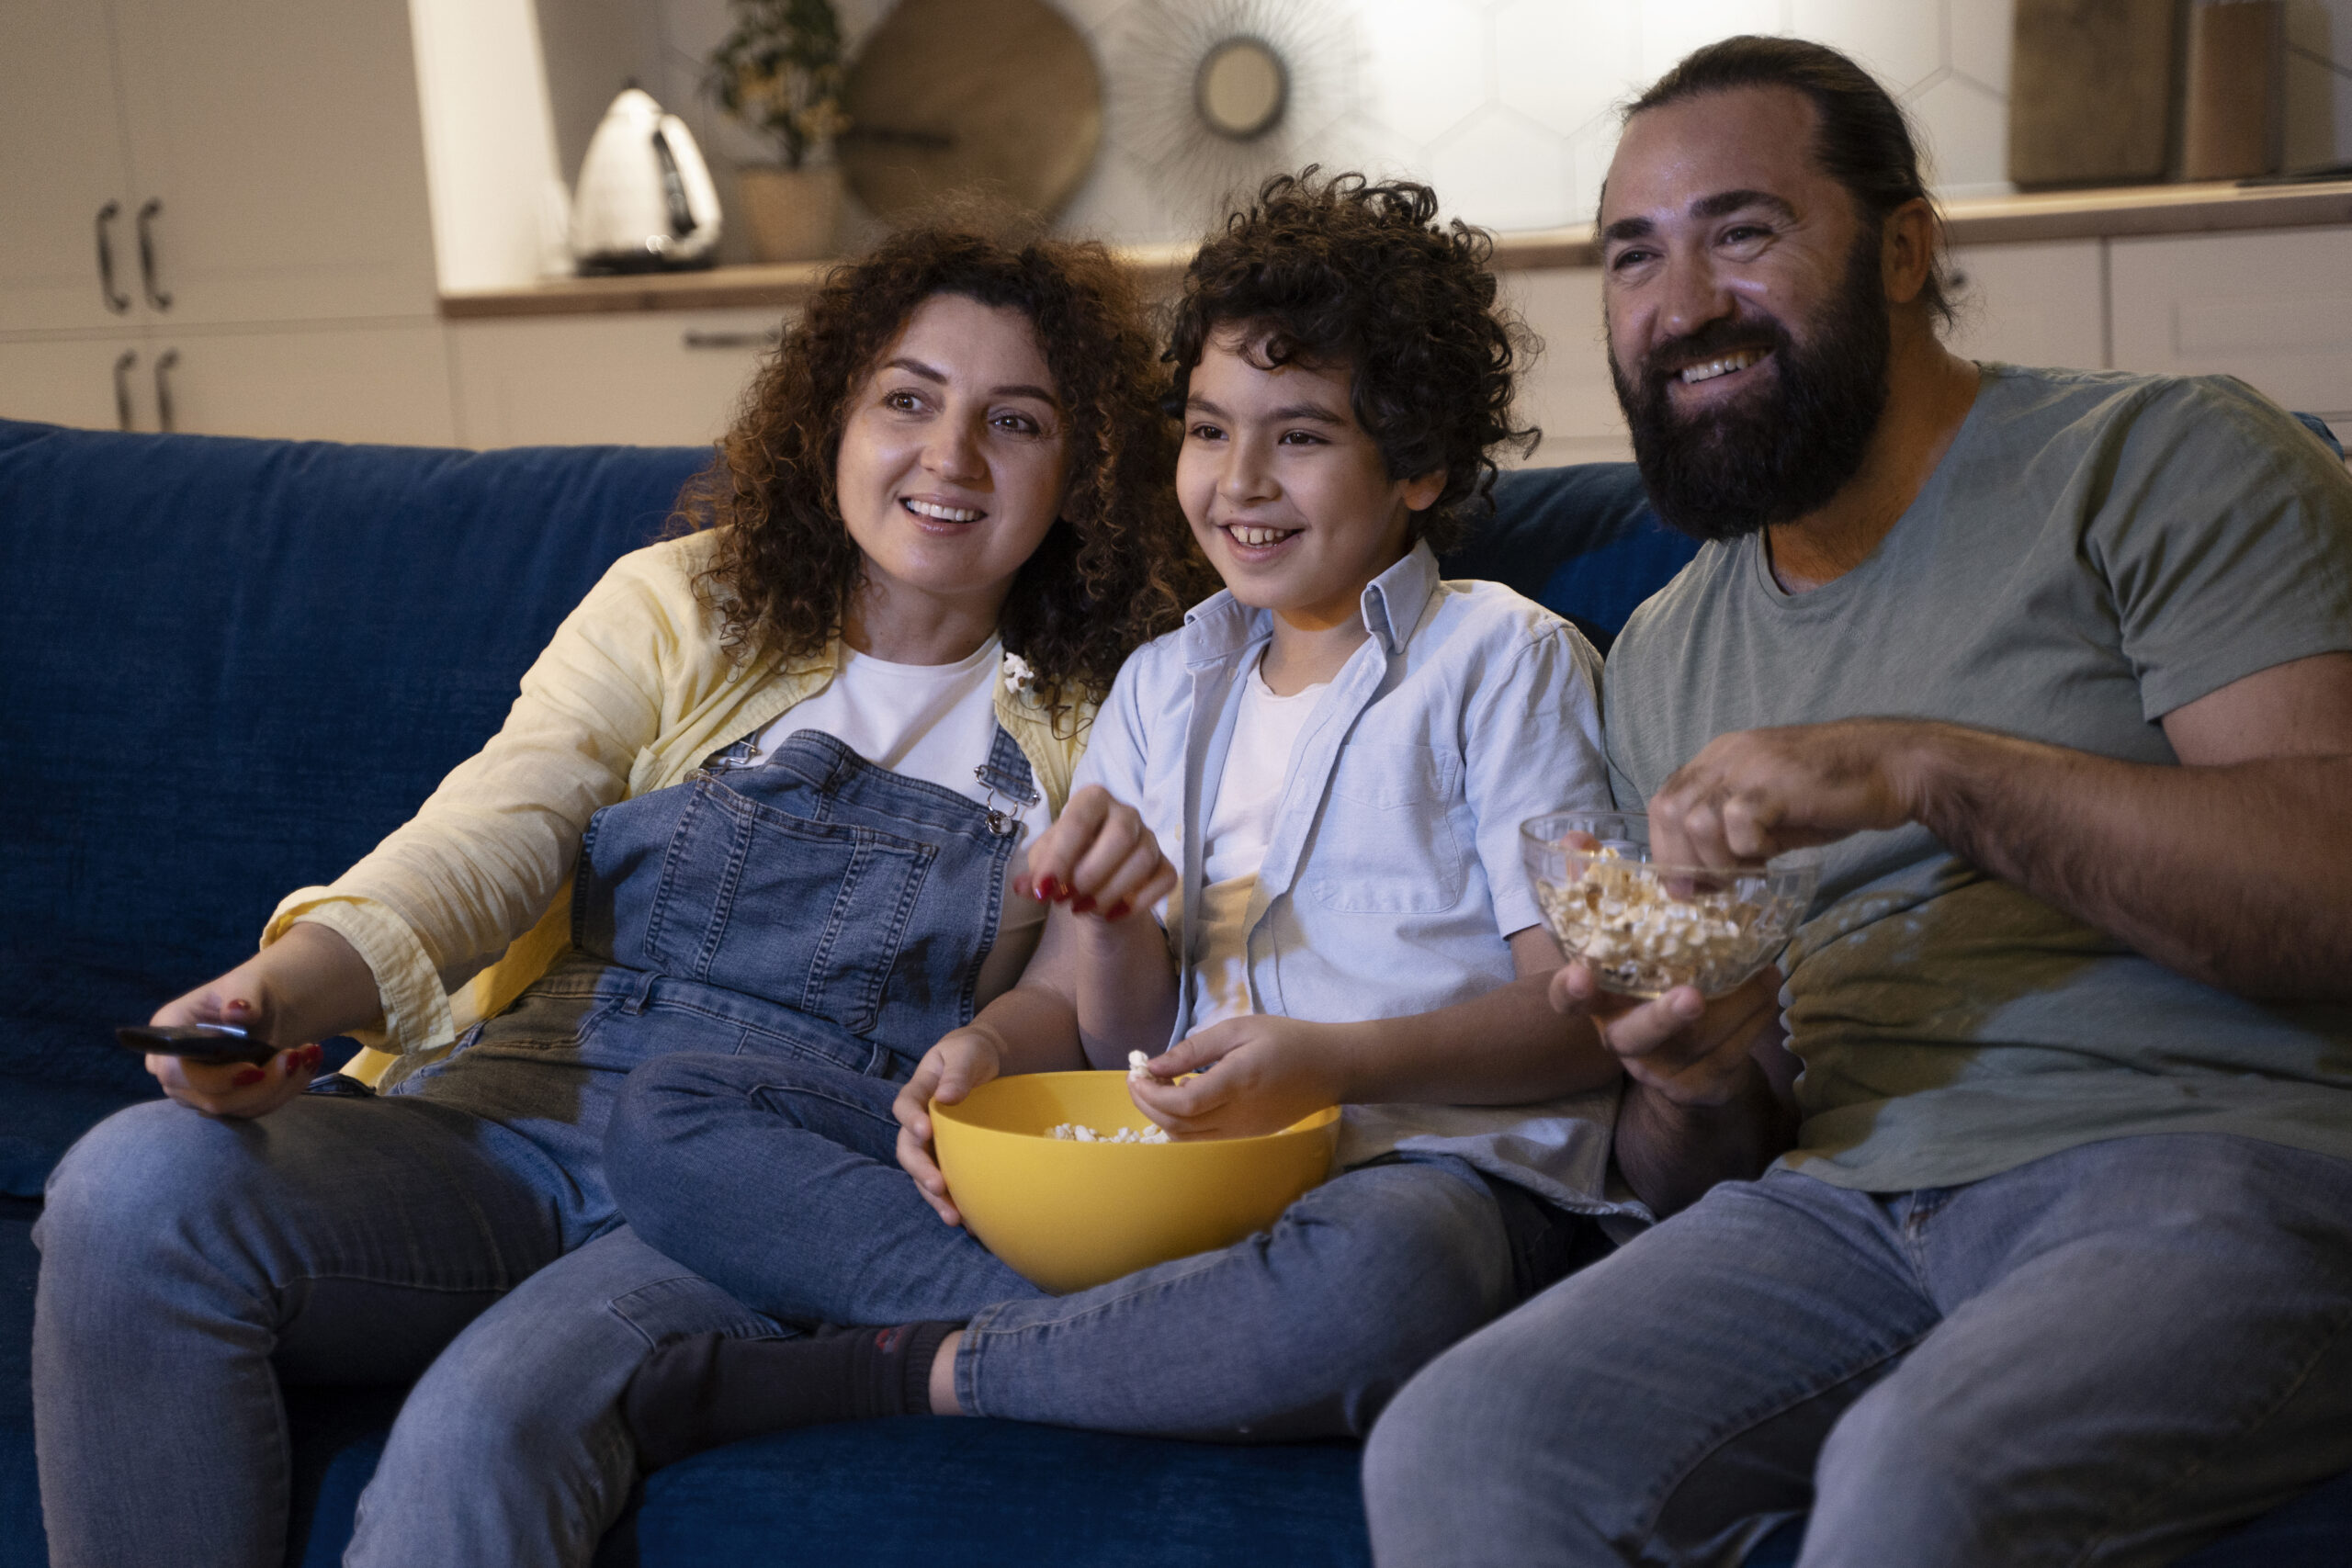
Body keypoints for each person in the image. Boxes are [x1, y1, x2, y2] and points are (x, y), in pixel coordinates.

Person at [31, 224, 1210, 1568]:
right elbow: (485, 839)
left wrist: (1034, 1005)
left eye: (1015, 420)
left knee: (488, 1417)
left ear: (1088, 467)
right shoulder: (678, 607)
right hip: (509, 1122)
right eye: (908, 400)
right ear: (835, 414)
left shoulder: (1119, 696)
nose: (948, 459)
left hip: (774, 1178)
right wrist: (271, 999)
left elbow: (1091, 1015)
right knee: (131, 1185)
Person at [1363, 34, 2352, 1568]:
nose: (1681, 305)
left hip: (2209, 1161)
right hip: (1840, 1206)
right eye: (1634, 258)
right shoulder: (1668, 651)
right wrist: (1697, 1074)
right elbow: (1704, 1160)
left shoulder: (2159, 463)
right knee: (1464, 1444)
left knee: (1920, 1479)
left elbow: (2331, 887)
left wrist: (1926, 767)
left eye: (1742, 233)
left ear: (1904, 250)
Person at [599, 171, 1643, 1461]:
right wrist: (1010, 1025)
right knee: (671, 1110)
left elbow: (1582, 1018)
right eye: (1209, 431)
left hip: (1416, 1180)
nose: (1241, 482)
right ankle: (1177, 1341)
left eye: (1301, 436)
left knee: (1391, 1274)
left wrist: (1332, 1061)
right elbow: (1112, 1030)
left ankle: (907, 1369)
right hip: (1173, 1182)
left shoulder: (1503, 661)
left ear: (1419, 464)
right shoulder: (1165, 682)